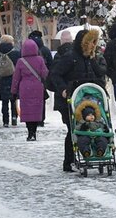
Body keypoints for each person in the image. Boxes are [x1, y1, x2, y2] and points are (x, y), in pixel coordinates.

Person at [49, 28, 107, 173]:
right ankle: (68, 162)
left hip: (87, 99)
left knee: (89, 126)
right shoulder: (70, 57)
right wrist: (63, 89)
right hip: (69, 99)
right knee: (73, 129)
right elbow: (55, 74)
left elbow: (99, 73)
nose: (93, 46)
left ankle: (92, 153)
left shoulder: (89, 58)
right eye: (90, 43)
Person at [49, 29, 77, 171]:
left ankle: (69, 161)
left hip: (64, 99)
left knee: (71, 128)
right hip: (76, 96)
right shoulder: (75, 56)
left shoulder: (59, 57)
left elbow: (53, 77)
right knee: (75, 128)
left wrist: (62, 90)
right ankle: (73, 159)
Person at [12, 37, 49, 141]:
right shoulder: (40, 59)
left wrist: (14, 91)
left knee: (27, 110)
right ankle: (34, 132)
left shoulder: (20, 61)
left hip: (25, 88)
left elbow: (16, 78)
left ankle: (30, 133)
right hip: (37, 87)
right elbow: (45, 73)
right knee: (36, 110)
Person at [0, 34, 21, 127]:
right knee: (13, 100)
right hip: (13, 79)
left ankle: (5, 121)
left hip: (2, 80)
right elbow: (19, 67)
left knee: (4, 102)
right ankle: (14, 117)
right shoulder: (15, 53)